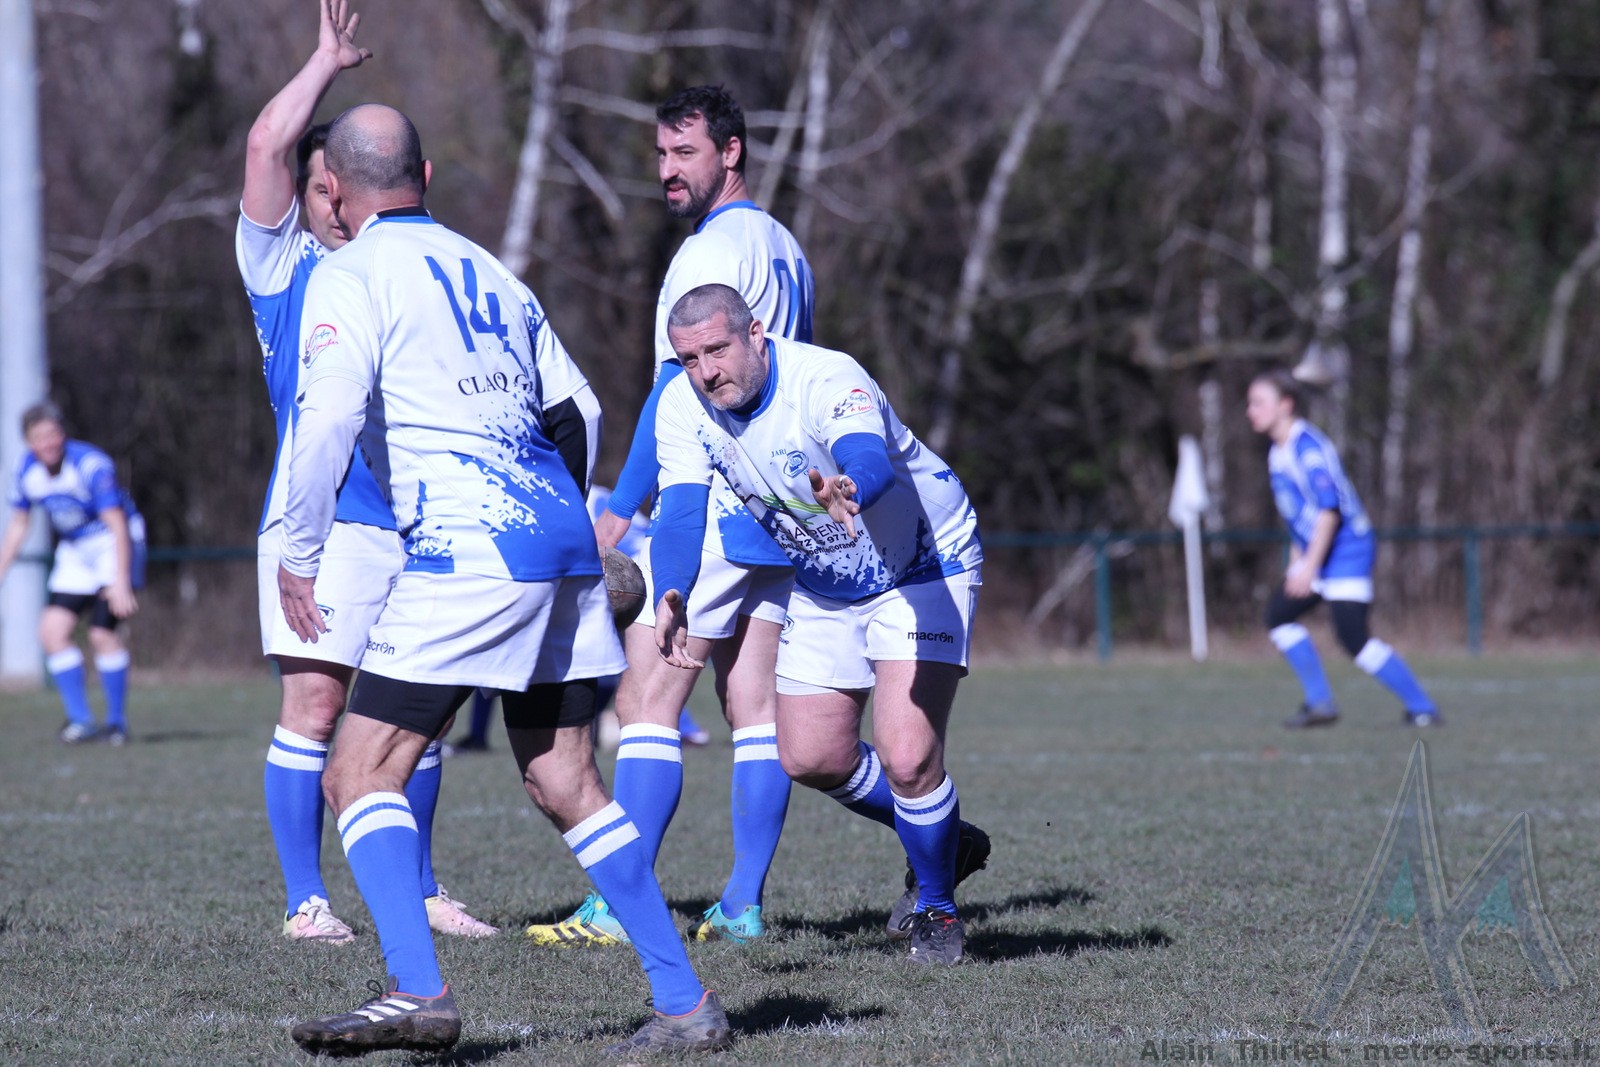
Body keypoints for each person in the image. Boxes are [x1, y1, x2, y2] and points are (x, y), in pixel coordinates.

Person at [277, 103, 728, 1055]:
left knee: (358, 770)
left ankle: (416, 988)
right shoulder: (492, 271)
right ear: (425, 178)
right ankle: (685, 1002)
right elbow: (580, 410)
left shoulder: (347, 273)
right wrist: (561, 524)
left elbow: (327, 420)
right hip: (559, 543)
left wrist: (298, 551)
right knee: (566, 776)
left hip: (464, 549)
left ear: (334, 191)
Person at [237, 0, 493, 944]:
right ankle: (307, 900)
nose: (329, 200)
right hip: (325, 525)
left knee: (415, 709)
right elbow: (266, 143)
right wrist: (325, 64)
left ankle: (420, 889)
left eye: (336, 184)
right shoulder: (285, 270)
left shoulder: (410, 266)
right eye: (315, 188)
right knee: (315, 701)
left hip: (418, 522)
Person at [527, 85, 802, 948]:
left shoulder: (705, 255)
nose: (667, 171)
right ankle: (743, 904)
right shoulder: (784, 245)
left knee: (648, 699)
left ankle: (619, 906)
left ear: (731, 151)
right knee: (752, 705)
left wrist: (619, 508)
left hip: (711, 500)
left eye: (685, 152)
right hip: (779, 502)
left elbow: (673, 393)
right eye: (660, 154)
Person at [651, 284, 989, 965]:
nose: (706, 371)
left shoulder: (826, 377)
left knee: (907, 755)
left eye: (717, 349)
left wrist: (850, 486)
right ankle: (945, 838)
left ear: (756, 334)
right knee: (810, 756)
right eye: (689, 358)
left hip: (922, 562)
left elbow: (865, 454)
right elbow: (682, 509)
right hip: (825, 576)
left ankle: (937, 908)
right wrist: (672, 589)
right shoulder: (682, 405)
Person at [1245, 368, 1441, 729]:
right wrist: (1298, 560)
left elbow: (1329, 511)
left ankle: (1422, 707)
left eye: (1258, 403)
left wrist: (1310, 566)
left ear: (1285, 405)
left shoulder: (1308, 448)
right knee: (1278, 616)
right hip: (1320, 552)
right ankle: (1320, 703)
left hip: (1346, 551)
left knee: (1353, 638)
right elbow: (1298, 515)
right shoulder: (1278, 451)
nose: (1250, 411)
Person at [0, 402, 143, 745]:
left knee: (101, 634)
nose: (48, 443)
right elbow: (18, 525)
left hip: (113, 543)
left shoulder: (90, 464)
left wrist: (121, 580)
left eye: (53, 434)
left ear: (62, 434)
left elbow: (117, 523)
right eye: (40, 437)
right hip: (76, 549)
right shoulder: (26, 471)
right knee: (51, 633)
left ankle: (116, 724)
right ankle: (81, 722)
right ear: (28, 442)